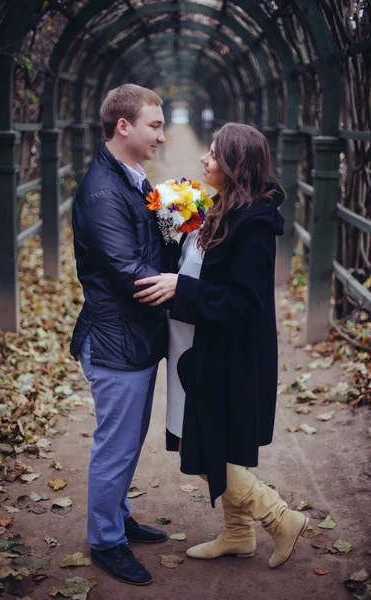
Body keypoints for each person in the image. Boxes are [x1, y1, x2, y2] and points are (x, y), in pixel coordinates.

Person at [134, 122, 309, 569]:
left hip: (224, 354)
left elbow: (245, 303)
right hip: (194, 345)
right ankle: (237, 533)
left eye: (212, 155)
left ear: (233, 165)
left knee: (208, 441)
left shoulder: (252, 227)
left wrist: (180, 289)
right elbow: (199, 267)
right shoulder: (221, 209)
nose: (203, 160)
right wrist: (172, 226)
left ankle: (278, 516)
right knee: (210, 440)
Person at [70, 84, 171, 587]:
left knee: (127, 441)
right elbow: (127, 269)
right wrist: (184, 281)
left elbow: (148, 242)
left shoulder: (128, 177)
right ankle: (106, 541)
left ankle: (118, 516)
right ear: (123, 126)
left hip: (132, 336)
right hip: (115, 340)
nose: (162, 134)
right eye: (155, 125)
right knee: (116, 445)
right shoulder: (102, 191)